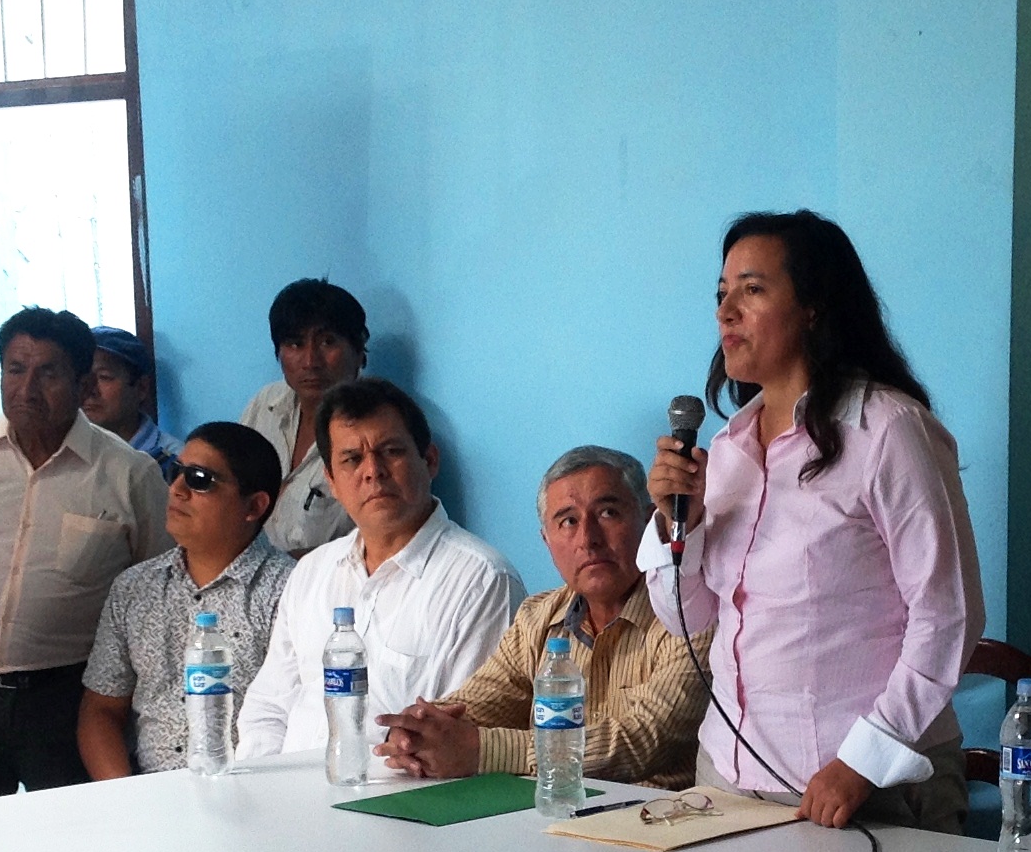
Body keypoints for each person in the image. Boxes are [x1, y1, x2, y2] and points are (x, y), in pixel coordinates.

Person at [641, 210, 984, 831]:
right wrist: (676, 524)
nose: (726, 313)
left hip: (863, 783)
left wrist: (864, 759)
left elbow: (948, 615)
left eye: (752, 289)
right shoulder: (726, 450)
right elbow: (687, 616)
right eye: (721, 294)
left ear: (814, 308)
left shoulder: (887, 431)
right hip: (729, 775)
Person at [374, 445, 710, 789]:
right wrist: (416, 732)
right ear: (547, 541)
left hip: (664, 814)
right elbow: (480, 701)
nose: (588, 539)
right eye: (568, 521)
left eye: (608, 513)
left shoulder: (692, 614)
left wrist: (482, 750)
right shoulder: (538, 617)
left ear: (652, 522)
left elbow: (644, 739)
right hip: (558, 810)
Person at [237, 378, 523, 763]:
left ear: (429, 460)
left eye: (391, 451)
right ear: (332, 481)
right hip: (287, 790)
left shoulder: (481, 580)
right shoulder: (312, 572)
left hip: (403, 794)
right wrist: (260, 785)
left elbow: (460, 735)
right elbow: (268, 707)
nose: (373, 471)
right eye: (352, 459)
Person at [0, 307, 171, 798]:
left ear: (83, 385)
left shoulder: (129, 474)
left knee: (78, 834)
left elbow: (157, 594)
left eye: (48, 373)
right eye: (15, 369)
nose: (27, 389)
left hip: (69, 700)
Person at [79, 422, 296, 776]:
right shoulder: (134, 588)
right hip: (148, 793)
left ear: (254, 506)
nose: (177, 489)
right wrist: (126, 798)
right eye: (175, 472)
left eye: (199, 479)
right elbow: (101, 710)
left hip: (253, 788)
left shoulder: (290, 591)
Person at [238, 278, 368, 555]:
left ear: (359, 351)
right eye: (295, 344)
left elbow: (374, 546)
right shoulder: (265, 405)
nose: (310, 361)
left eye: (328, 342)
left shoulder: (374, 430)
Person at [82, 324, 184, 478]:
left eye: (104, 377)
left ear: (141, 388)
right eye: (83, 376)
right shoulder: (69, 453)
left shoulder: (174, 462)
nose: (90, 390)